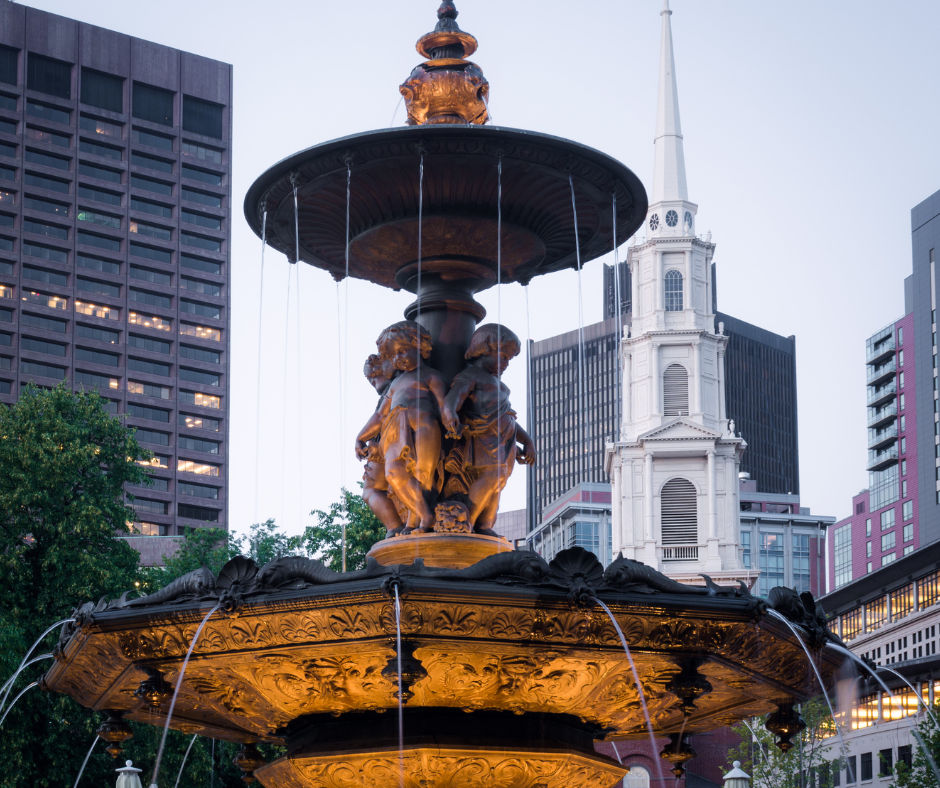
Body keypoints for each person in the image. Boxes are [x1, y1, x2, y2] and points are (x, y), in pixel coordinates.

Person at [442, 324, 536, 535]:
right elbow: (451, 401)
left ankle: (485, 525)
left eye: (509, 360)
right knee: (492, 477)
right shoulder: (471, 376)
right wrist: (450, 416)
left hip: (504, 444)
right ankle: (468, 521)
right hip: (482, 439)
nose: (506, 364)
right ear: (483, 349)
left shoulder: (497, 384)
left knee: (498, 481)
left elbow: (508, 416)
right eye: (503, 357)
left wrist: (527, 441)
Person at [368, 321, 447, 532]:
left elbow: (443, 406)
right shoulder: (394, 384)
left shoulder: (431, 376)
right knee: (394, 473)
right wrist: (360, 436)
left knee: (422, 476)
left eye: (402, 351)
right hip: (396, 430)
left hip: (425, 427)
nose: (398, 359)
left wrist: (451, 420)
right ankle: (426, 515)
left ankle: (414, 522)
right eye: (393, 356)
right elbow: (379, 415)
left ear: (419, 345)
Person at [355, 353, 404, 537]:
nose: (372, 382)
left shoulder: (392, 388)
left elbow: (380, 417)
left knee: (371, 490)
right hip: (401, 444)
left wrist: (360, 437)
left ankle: (395, 527)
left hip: (386, 447)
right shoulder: (409, 381)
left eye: (373, 377)